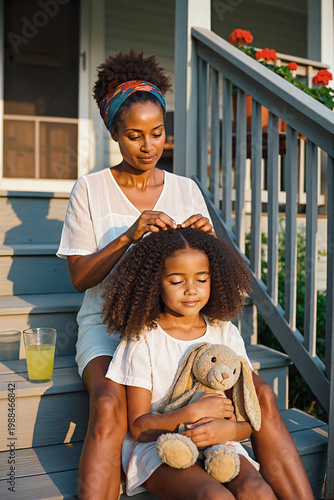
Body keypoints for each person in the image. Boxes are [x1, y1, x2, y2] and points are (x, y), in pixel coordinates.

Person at [57, 49, 213, 500]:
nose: (149, 147)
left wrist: (208, 244)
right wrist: (128, 236)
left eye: (158, 133)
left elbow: (206, 276)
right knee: (108, 405)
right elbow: (80, 277)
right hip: (107, 327)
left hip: (168, 327)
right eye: (135, 136)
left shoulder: (187, 190)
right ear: (115, 135)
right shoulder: (89, 188)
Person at [102, 227, 277, 499]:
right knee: (213, 496)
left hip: (219, 443)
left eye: (202, 279)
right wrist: (190, 414)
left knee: (257, 490)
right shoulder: (143, 339)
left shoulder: (223, 331)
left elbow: (246, 419)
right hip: (159, 447)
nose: (191, 290)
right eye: (176, 281)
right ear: (154, 283)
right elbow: (139, 427)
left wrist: (229, 429)